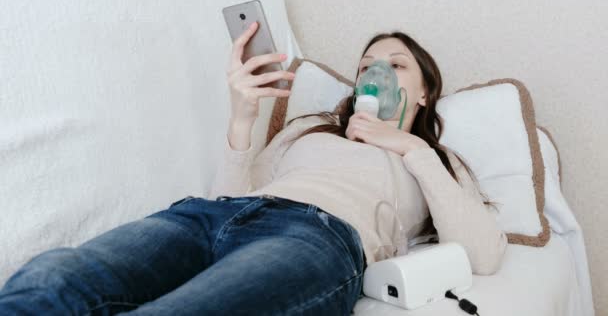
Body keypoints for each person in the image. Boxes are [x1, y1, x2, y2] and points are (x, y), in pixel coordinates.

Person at [0, 21, 507, 315]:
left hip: (317, 237)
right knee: (51, 282)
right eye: (366, 65)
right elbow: (228, 199)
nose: (375, 72)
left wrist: (407, 147)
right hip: (209, 219)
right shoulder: (308, 129)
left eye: (395, 64)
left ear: (422, 91)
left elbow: (484, 253)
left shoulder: (435, 162)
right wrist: (242, 118)